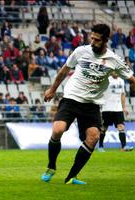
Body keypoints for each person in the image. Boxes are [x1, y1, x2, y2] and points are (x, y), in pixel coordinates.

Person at [41, 24, 135, 185]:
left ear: (106, 40)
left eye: (97, 40)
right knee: (57, 130)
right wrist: (52, 89)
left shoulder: (114, 60)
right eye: (92, 38)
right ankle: (51, 166)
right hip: (71, 98)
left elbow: (132, 79)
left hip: (92, 104)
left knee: (93, 137)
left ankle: (71, 177)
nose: (93, 42)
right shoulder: (81, 51)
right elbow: (64, 70)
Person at [98, 72, 133, 152]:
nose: (115, 73)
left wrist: (124, 107)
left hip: (118, 109)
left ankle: (123, 147)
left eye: (116, 71)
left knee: (121, 127)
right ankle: (100, 146)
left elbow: (122, 94)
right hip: (107, 108)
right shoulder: (106, 80)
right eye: (114, 71)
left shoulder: (121, 80)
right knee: (104, 128)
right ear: (111, 71)